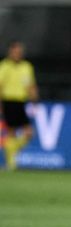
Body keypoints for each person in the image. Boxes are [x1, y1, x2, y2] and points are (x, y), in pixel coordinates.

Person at [0, 41, 39, 171]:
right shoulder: (4, 66)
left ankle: (12, 150)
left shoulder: (26, 67)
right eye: (15, 51)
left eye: (19, 52)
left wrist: (34, 98)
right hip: (8, 101)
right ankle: (11, 163)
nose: (17, 54)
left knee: (29, 133)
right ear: (10, 52)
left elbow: (30, 85)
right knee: (11, 132)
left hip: (21, 102)